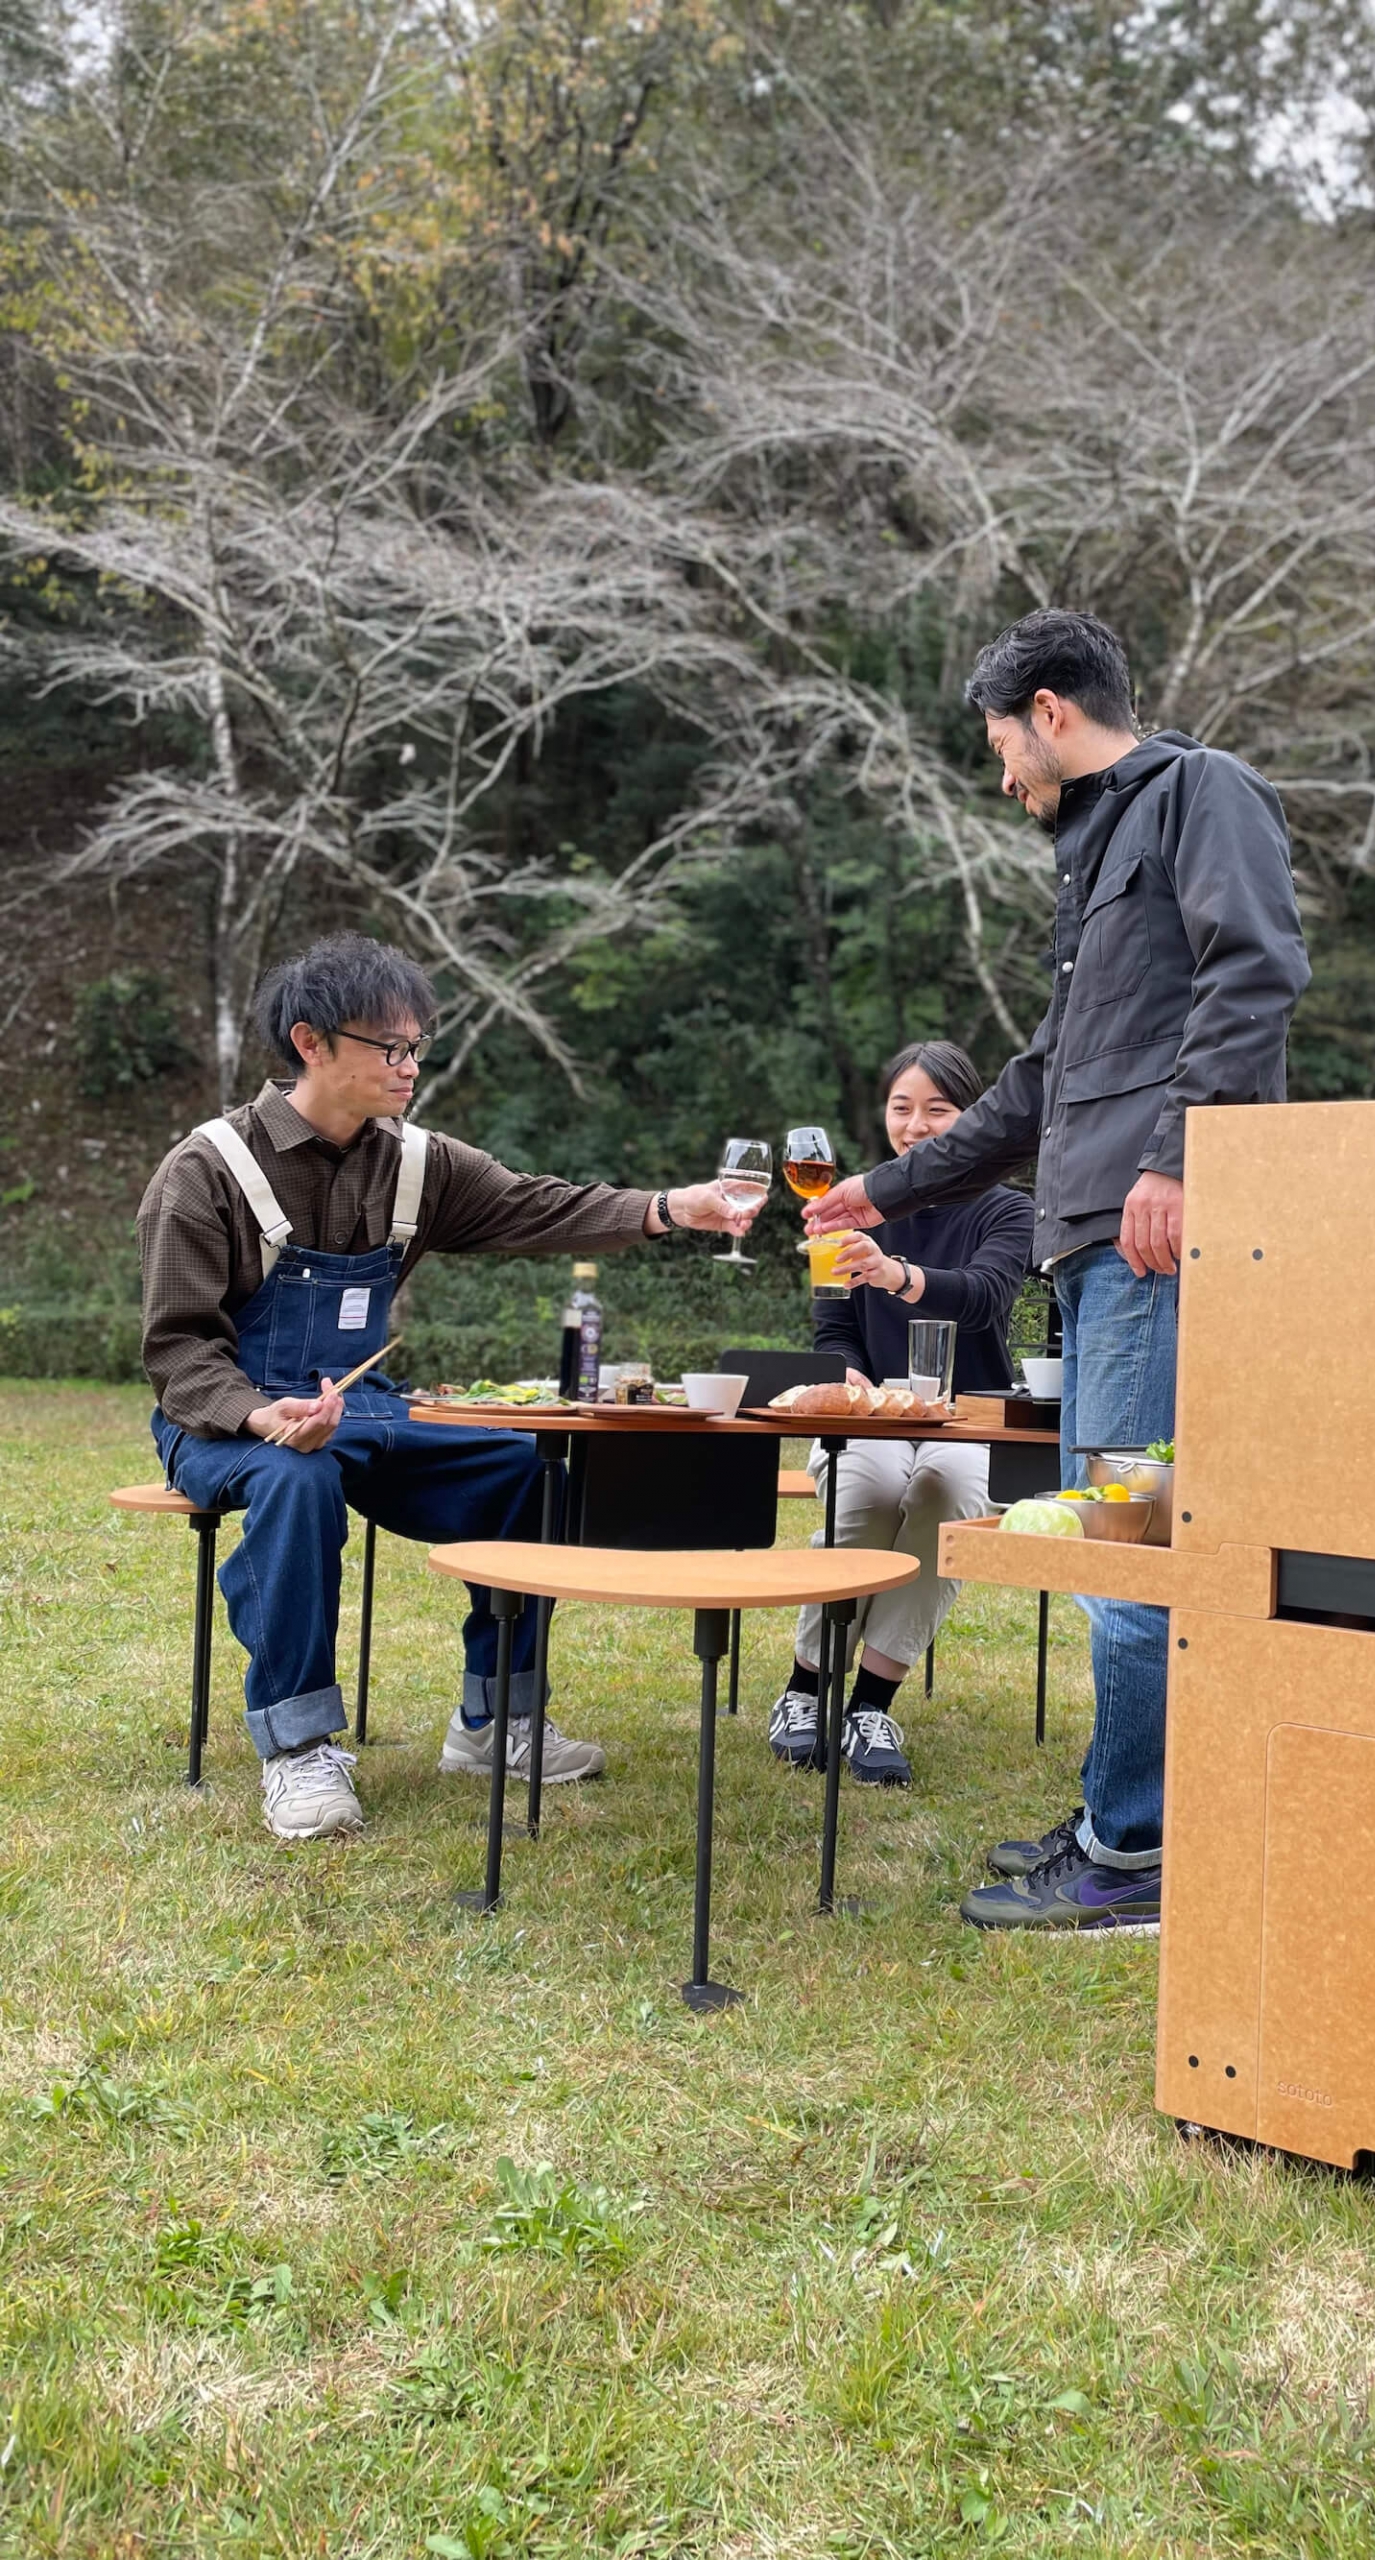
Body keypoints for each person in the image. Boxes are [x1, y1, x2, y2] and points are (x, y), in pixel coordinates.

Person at [807, 610, 1309, 1930]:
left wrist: (1178, 1159)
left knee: (1132, 1551)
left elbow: (1255, 972)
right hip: (1093, 1248)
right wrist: (887, 1187)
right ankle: (1116, 1813)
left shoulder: (1201, 792)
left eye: (998, 745)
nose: (1001, 776)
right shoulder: (1093, 852)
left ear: (1048, 710)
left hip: (1154, 1241)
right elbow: (1039, 1082)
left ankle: (1134, 1855)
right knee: (1108, 1546)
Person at [139, 932, 764, 1843]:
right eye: (389, 1046)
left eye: (418, 1045)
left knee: (527, 1468)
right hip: (224, 1419)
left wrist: (671, 1208)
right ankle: (298, 1748)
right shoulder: (207, 1170)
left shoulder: (419, 1163)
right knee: (296, 1479)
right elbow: (178, 1348)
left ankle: (495, 1721)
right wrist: (259, 1412)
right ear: (311, 1043)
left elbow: (539, 1205)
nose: (410, 1065)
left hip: (365, 1406)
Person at [768, 1042, 1034, 1789]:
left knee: (947, 1493)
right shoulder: (849, 1209)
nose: (916, 1126)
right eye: (901, 1108)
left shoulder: (1008, 1208)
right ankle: (805, 1689)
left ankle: (870, 1704)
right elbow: (833, 1329)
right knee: (870, 1486)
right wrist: (846, 1371)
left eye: (938, 1110)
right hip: (872, 1414)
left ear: (974, 1117)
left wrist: (896, 1274)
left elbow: (985, 1296)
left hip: (970, 1416)